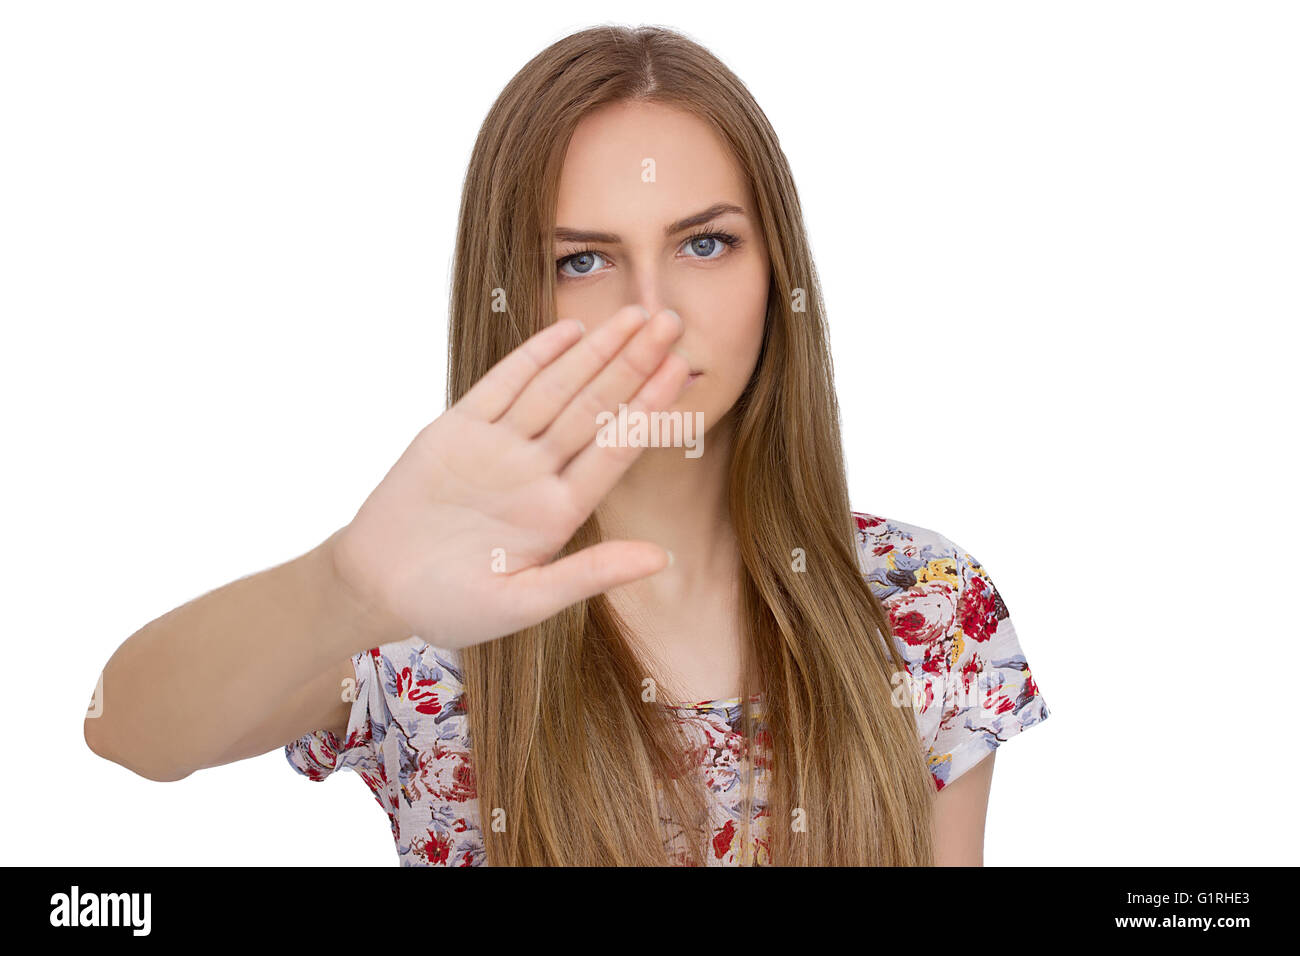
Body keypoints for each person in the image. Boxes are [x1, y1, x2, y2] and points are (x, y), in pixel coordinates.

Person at [84, 24, 1050, 867]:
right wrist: (349, 585)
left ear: (776, 268)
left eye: (704, 244)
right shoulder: (427, 610)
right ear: (514, 293)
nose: (653, 312)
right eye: (582, 261)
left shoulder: (924, 601)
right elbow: (123, 729)